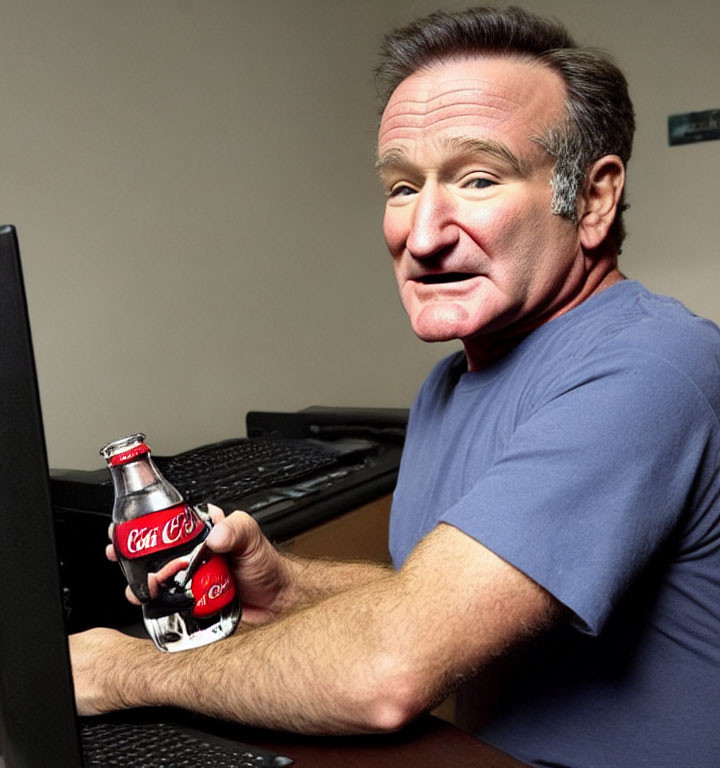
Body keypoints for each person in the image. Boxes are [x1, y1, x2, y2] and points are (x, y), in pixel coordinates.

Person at [70, 7, 720, 766]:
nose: (421, 235)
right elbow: (440, 600)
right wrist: (288, 588)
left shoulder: (650, 366)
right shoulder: (453, 381)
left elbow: (389, 667)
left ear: (595, 199)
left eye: (478, 178)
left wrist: (133, 673)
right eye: (403, 186)